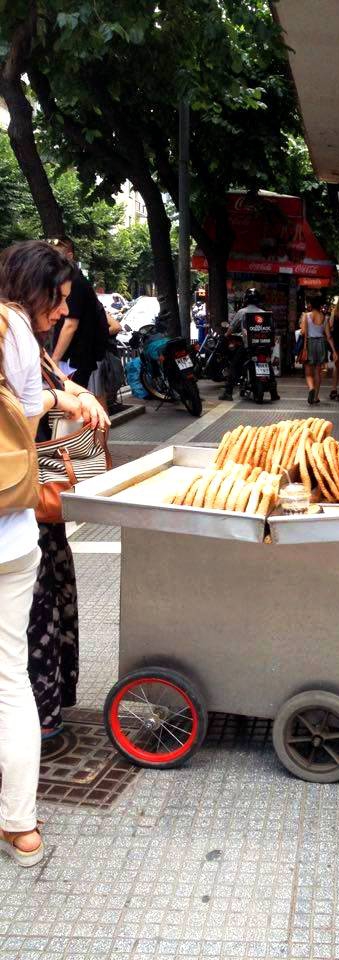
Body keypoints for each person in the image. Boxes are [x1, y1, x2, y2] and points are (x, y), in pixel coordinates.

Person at [0, 241, 109, 741]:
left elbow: (50, 382)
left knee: (38, 614)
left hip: (29, 503)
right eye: (59, 298)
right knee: (23, 638)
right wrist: (61, 397)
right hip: (19, 502)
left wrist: (74, 393)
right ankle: (36, 724)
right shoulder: (14, 329)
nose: (66, 310)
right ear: (32, 289)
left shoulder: (22, 330)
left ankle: (42, 718)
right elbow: (25, 406)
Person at [0, 292, 47, 866]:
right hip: (12, 536)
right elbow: (29, 426)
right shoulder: (11, 323)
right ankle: (21, 827)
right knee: (10, 681)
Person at [48, 237, 108, 390]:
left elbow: (70, 325)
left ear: (70, 256)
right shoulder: (74, 280)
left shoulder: (75, 282)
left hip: (73, 360)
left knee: (69, 407)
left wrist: (54, 360)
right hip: (74, 358)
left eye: (57, 255)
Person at [220, 288, 280, 402]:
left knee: (234, 365)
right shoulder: (265, 313)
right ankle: (274, 393)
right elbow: (272, 329)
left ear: (246, 300)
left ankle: (228, 392)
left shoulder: (242, 312)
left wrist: (227, 335)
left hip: (249, 347)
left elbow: (231, 328)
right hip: (265, 346)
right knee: (268, 365)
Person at [300, 294, 336, 405]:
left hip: (310, 343)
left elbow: (303, 332)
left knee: (308, 373)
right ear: (320, 305)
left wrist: (304, 347)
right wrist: (334, 351)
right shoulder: (325, 318)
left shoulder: (306, 316)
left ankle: (311, 388)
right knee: (318, 372)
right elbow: (328, 336)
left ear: (311, 304)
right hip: (321, 344)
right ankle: (315, 397)